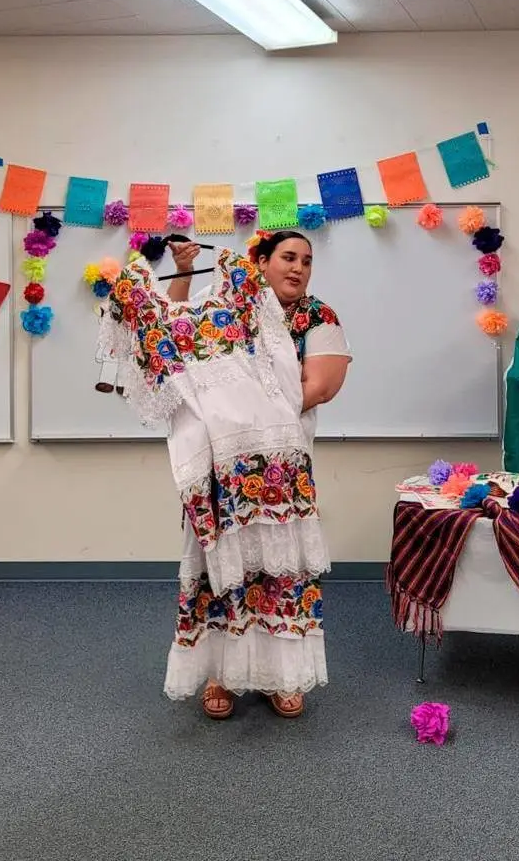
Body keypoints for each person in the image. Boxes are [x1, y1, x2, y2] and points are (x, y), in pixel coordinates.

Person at [167, 229, 351, 718]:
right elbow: (176, 343)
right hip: (217, 469)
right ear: (261, 262)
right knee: (220, 571)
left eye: (307, 261)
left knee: (278, 572)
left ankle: (281, 676)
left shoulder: (318, 317)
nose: (298, 268)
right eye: (288, 258)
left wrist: (242, 418)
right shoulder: (224, 306)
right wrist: (183, 274)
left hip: (280, 472)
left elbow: (321, 386)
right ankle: (221, 674)